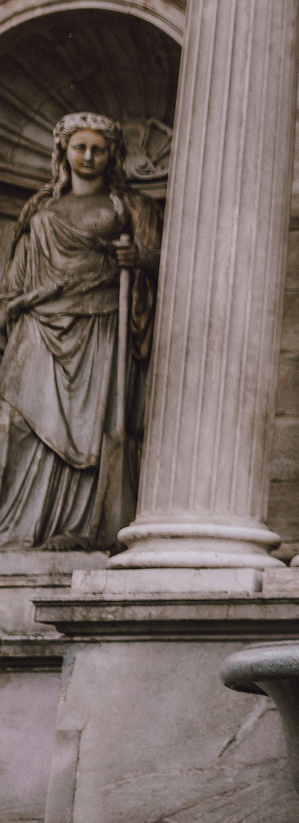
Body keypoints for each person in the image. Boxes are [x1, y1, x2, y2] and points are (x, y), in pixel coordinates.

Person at [0, 114, 159, 549]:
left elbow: (164, 262)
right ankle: (19, 529)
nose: (88, 156)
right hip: (38, 324)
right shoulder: (39, 208)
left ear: (111, 156)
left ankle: (81, 530)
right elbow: (15, 280)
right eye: (79, 147)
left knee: (93, 430)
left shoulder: (131, 207)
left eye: (98, 149)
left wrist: (138, 258)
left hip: (100, 323)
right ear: (63, 152)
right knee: (19, 424)